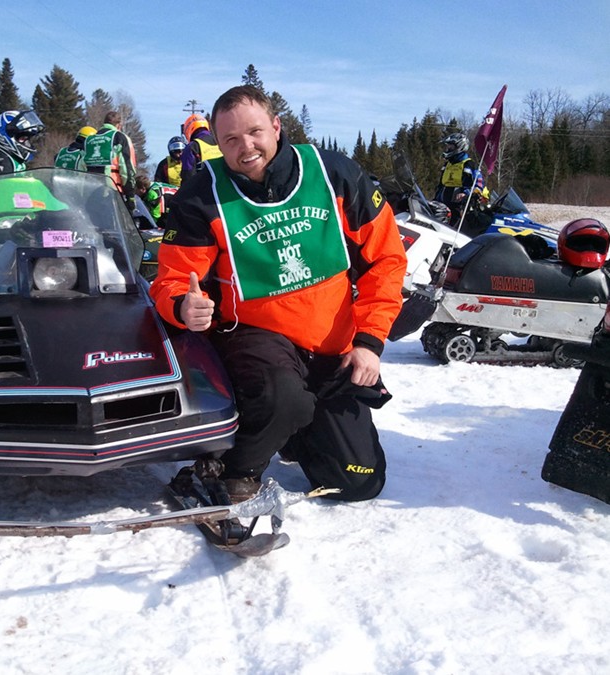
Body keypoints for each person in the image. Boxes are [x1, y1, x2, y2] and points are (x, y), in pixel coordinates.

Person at [150, 86, 407, 503]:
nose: (245, 147)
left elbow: (387, 261)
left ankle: (295, 430)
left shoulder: (334, 174)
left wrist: (369, 342)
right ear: (217, 142)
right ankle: (232, 471)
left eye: (254, 132)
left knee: (358, 483)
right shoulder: (202, 194)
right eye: (230, 139)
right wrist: (182, 306)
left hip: (332, 345)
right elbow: (173, 280)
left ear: (276, 126)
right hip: (253, 334)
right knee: (283, 397)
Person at [83, 111, 138, 212]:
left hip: (90, 191)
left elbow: (82, 166)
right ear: (119, 125)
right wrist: (130, 195)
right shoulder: (120, 137)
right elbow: (126, 168)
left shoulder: (89, 139)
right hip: (112, 191)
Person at [433, 132, 485, 229]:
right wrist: (435, 199)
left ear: (459, 147)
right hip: (442, 204)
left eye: (451, 146)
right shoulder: (447, 164)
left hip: (458, 205)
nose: (448, 149)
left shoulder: (469, 164)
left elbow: (478, 184)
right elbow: (441, 184)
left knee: (452, 229)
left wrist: (466, 193)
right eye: (448, 146)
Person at [179, 113, 223, 184]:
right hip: (226, 187)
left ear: (189, 128)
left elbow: (188, 176)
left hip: (204, 190)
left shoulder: (192, 147)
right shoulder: (220, 142)